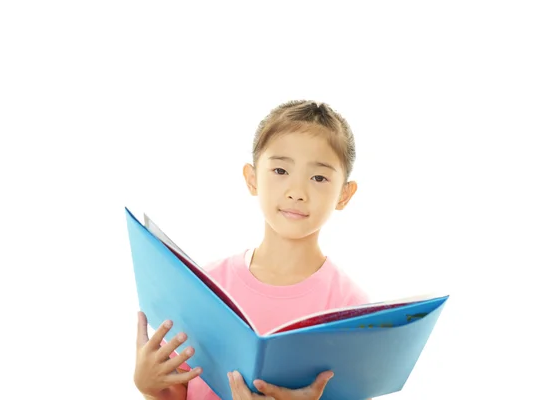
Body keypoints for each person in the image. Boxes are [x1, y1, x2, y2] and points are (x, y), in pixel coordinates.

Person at [133, 100, 371, 400]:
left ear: (344, 195)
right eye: (281, 170)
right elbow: (181, 390)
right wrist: (151, 387)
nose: (297, 192)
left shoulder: (351, 309)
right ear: (252, 177)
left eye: (319, 177)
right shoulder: (204, 286)